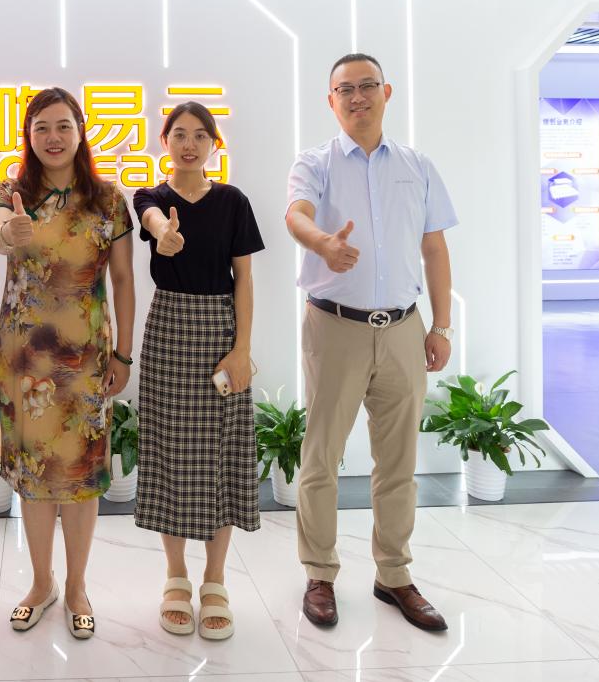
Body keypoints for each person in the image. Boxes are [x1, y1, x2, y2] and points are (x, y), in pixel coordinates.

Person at [285, 52, 457, 632]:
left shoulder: (416, 165)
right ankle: (319, 573)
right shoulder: (315, 162)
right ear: (330, 101)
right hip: (335, 327)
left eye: (367, 86)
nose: (357, 97)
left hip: (404, 329)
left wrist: (440, 326)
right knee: (321, 458)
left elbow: (434, 248)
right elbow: (296, 215)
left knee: (399, 461)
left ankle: (394, 575)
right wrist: (322, 244)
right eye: (345, 89)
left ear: (387, 92)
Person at [0, 87, 134, 639]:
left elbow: (123, 280)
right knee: (35, 476)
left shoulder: (108, 199)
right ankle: (40, 583)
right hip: (26, 361)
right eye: (41, 127)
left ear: (80, 131)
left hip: (86, 360)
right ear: (28, 135)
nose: (52, 137)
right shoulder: (12, 191)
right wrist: (10, 231)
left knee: (79, 476)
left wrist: (123, 353)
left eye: (63, 126)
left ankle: (76, 587)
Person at [132, 102, 264, 640]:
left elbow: (245, 279)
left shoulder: (233, 201)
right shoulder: (149, 197)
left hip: (221, 331)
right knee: (170, 451)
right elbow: (151, 220)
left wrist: (242, 349)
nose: (189, 144)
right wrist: (164, 234)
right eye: (179, 134)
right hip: (167, 328)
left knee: (223, 452)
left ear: (214, 144)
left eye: (200, 136)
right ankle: (175, 576)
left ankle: (215, 579)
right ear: (164, 141)